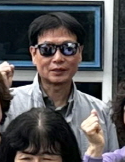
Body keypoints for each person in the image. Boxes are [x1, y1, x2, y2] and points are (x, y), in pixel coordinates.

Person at [7, 12, 114, 152]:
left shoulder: (101, 113)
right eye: (47, 49)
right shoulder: (8, 105)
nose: (58, 58)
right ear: (33, 54)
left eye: (68, 48)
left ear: (80, 53)